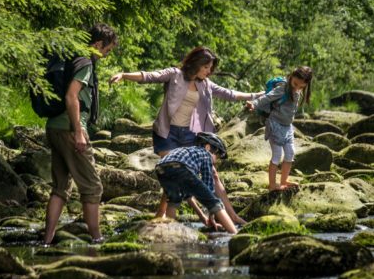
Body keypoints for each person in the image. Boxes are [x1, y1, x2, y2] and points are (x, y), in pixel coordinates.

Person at [109, 46, 262, 226]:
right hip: (167, 133)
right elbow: (149, 76)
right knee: (175, 171)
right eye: (206, 67)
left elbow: (229, 94)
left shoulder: (205, 84)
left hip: (191, 135)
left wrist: (256, 95)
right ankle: (178, 216)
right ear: (196, 64)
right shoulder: (175, 75)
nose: (209, 71)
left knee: (212, 174)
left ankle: (232, 217)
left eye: (211, 68)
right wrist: (124, 75)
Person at [44, 23, 118, 244]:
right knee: (93, 187)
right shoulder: (85, 63)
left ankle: (46, 240)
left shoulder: (71, 58)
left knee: (60, 187)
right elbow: (71, 97)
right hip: (69, 129)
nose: (106, 55)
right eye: (107, 49)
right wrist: (78, 132)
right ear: (97, 44)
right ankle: (97, 239)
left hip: (54, 126)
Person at [155, 132, 237, 234]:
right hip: (180, 167)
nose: (215, 161)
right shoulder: (206, 154)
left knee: (173, 201)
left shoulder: (187, 152)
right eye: (217, 156)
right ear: (208, 147)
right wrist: (212, 211)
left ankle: (169, 231)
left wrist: (202, 216)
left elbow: (189, 194)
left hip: (160, 168)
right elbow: (208, 187)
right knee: (215, 202)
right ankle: (235, 234)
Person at [246, 66, 313, 191]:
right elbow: (267, 97)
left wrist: (298, 89)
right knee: (277, 155)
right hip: (275, 124)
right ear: (291, 76)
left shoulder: (298, 90)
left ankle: (284, 180)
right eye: (295, 84)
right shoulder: (283, 88)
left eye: (301, 86)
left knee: (290, 153)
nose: (297, 88)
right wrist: (254, 104)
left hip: (287, 127)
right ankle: (272, 185)